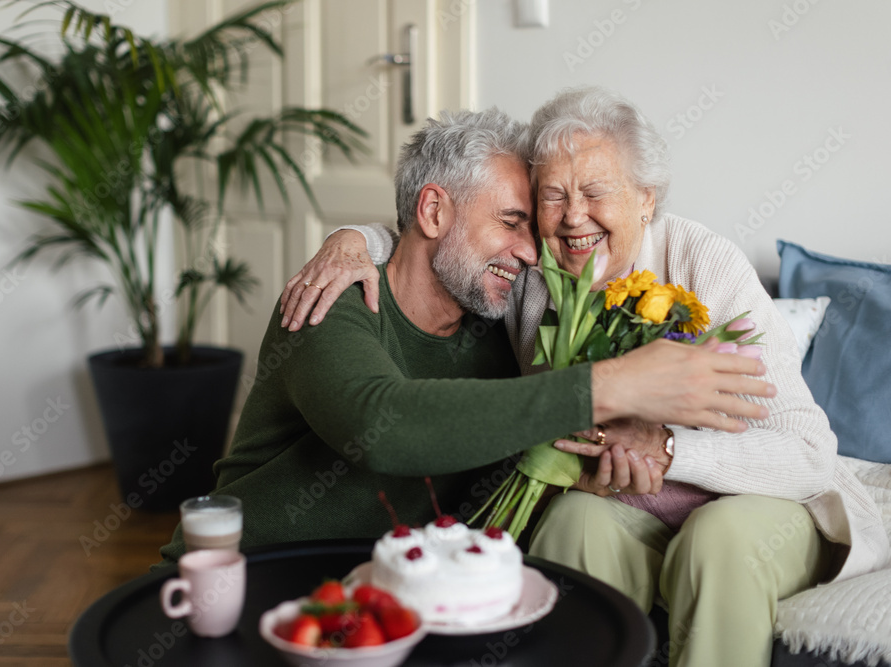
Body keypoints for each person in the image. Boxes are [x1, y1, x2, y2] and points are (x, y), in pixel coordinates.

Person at [281, 87, 889, 667]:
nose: (574, 218)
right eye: (552, 196)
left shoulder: (705, 263)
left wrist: (669, 448)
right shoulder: (534, 273)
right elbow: (448, 239)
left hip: (763, 501)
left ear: (646, 198)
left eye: (596, 192)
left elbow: (809, 453)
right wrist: (354, 239)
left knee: (718, 541)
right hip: (632, 503)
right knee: (571, 523)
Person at [156, 107, 774, 570]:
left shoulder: (503, 331)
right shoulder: (333, 300)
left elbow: (510, 436)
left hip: (391, 608)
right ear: (432, 212)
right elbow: (387, 426)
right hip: (241, 585)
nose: (533, 251)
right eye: (511, 223)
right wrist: (611, 386)